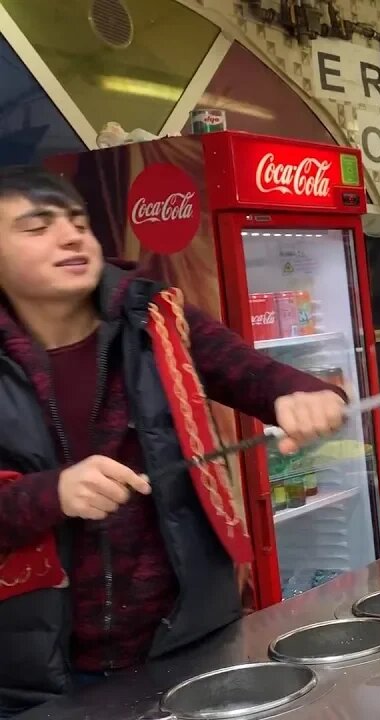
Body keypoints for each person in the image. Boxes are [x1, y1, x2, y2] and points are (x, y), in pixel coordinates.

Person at [0, 167, 347, 717]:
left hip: (188, 634)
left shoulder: (155, 315)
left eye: (79, 222)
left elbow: (247, 371)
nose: (71, 237)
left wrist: (298, 394)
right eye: (36, 226)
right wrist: (54, 494)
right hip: (35, 667)